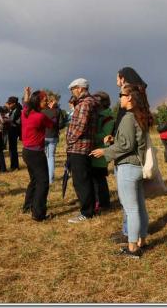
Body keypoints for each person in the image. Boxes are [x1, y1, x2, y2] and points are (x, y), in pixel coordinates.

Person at [91, 83, 151, 258]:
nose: (119, 98)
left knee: (131, 209)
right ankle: (142, 241)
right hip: (137, 167)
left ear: (129, 97)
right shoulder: (140, 117)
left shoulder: (127, 118)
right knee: (139, 207)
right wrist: (113, 140)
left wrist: (105, 151)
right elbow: (129, 142)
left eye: (121, 95)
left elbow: (126, 145)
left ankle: (132, 248)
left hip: (128, 168)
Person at [66, 78, 99, 223]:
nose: (72, 92)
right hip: (83, 146)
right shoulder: (89, 102)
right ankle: (90, 208)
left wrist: (70, 139)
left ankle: (86, 212)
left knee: (80, 181)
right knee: (85, 179)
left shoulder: (85, 104)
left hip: (79, 147)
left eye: (73, 89)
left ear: (79, 88)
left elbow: (81, 126)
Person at [21, 87, 56, 222]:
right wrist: (52, 109)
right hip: (36, 153)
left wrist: (26, 95)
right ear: (38, 102)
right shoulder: (40, 116)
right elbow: (52, 125)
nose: (47, 102)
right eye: (45, 101)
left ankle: (28, 205)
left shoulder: (26, 113)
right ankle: (38, 213)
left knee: (34, 180)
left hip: (26, 151)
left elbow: (25, 104)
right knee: (43, 182)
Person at [91, 91, 114, 212]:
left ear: (103, 103)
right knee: (96, 178)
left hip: (100, 152)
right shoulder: (97, 115)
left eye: (96, 101)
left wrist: (91, 136)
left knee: (99, 179)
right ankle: (101, 202)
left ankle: (103, 204)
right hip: (94, 151)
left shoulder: (108, 117)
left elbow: (106, 134)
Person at [113, 66, 148, 136]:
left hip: (126, 136)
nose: (116, 81)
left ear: (122, 79)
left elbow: (122, 117)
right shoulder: (139, 94)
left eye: (117, 79)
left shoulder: (128, 98)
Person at [42, 95, 65, 184]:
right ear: (52, 102)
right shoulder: (58, 111)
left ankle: (44, 177)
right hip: (53, 136)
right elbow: (61, 124)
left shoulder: (42, 111)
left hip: (44, 136)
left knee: (44, 157)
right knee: (51, 157)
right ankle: (50, 180)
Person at [7, 96, 22, 171]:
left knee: (13, 150)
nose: (9, 105)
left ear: (14, 103)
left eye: (10, 104)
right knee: (12, 149)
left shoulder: (18, 111)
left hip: (14, 131)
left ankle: (15, 166)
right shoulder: (13, 110)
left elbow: (15, 121)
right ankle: (13, 165)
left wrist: (7, 120)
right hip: (11, 130)